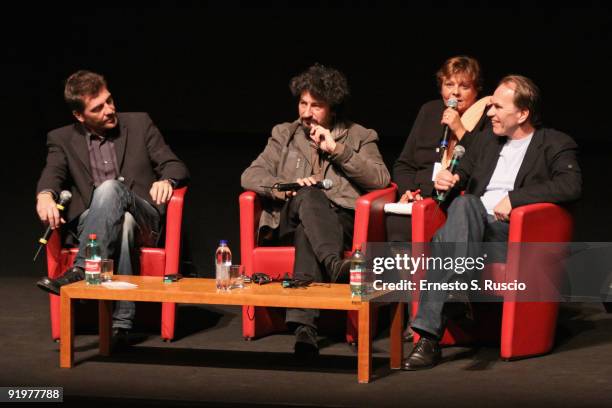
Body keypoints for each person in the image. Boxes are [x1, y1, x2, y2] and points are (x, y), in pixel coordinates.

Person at [403, 75, 582, 370]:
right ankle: (454, 290)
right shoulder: (487, 139)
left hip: (509, 236)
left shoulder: (554, 143)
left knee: (456, 226)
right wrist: (451, 179)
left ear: (522, 113)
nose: (489, 112)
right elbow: (465, 173)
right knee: (465, 203)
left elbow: (570, 185)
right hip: (469, 229)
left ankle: (427, 339)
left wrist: (515, 198)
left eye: (498, 107)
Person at [241, 63, 390, 357]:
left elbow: (381, 179)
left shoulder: (359, 136)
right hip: (290, 214)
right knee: (309, 195)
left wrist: (338, 150)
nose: (306, 112)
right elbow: (249, 176)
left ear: (333, 109)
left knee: (307, 235)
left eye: (316, 106)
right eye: (303, 103)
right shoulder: (284, 134)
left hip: (340, 222)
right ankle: (334, 266)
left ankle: (304, 328)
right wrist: (287, 186)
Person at [35, 70, 189, 335]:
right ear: (79, 116)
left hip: (144, 219)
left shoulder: (140, 123)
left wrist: (168, 181)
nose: (109, 109)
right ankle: (122, 322)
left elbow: (174, 165)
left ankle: (83, 268)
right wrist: (44, 195)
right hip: (93, 226)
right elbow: (53, 174)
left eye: (109, 100)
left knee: (112, 191)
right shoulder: (61, 139)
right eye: (98, 108)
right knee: (122, 223)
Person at [387, 55, 490, 243]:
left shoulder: (487, 116)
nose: (455, 93)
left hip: (451, 200)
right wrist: (409, 192)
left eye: (464, 87)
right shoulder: (429, 110)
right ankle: (406, 273)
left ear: (477, 90)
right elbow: (404, 164)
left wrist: (459, 128)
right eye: (449, 85)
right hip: (418, 197)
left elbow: (482, 162)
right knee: (397, 221)